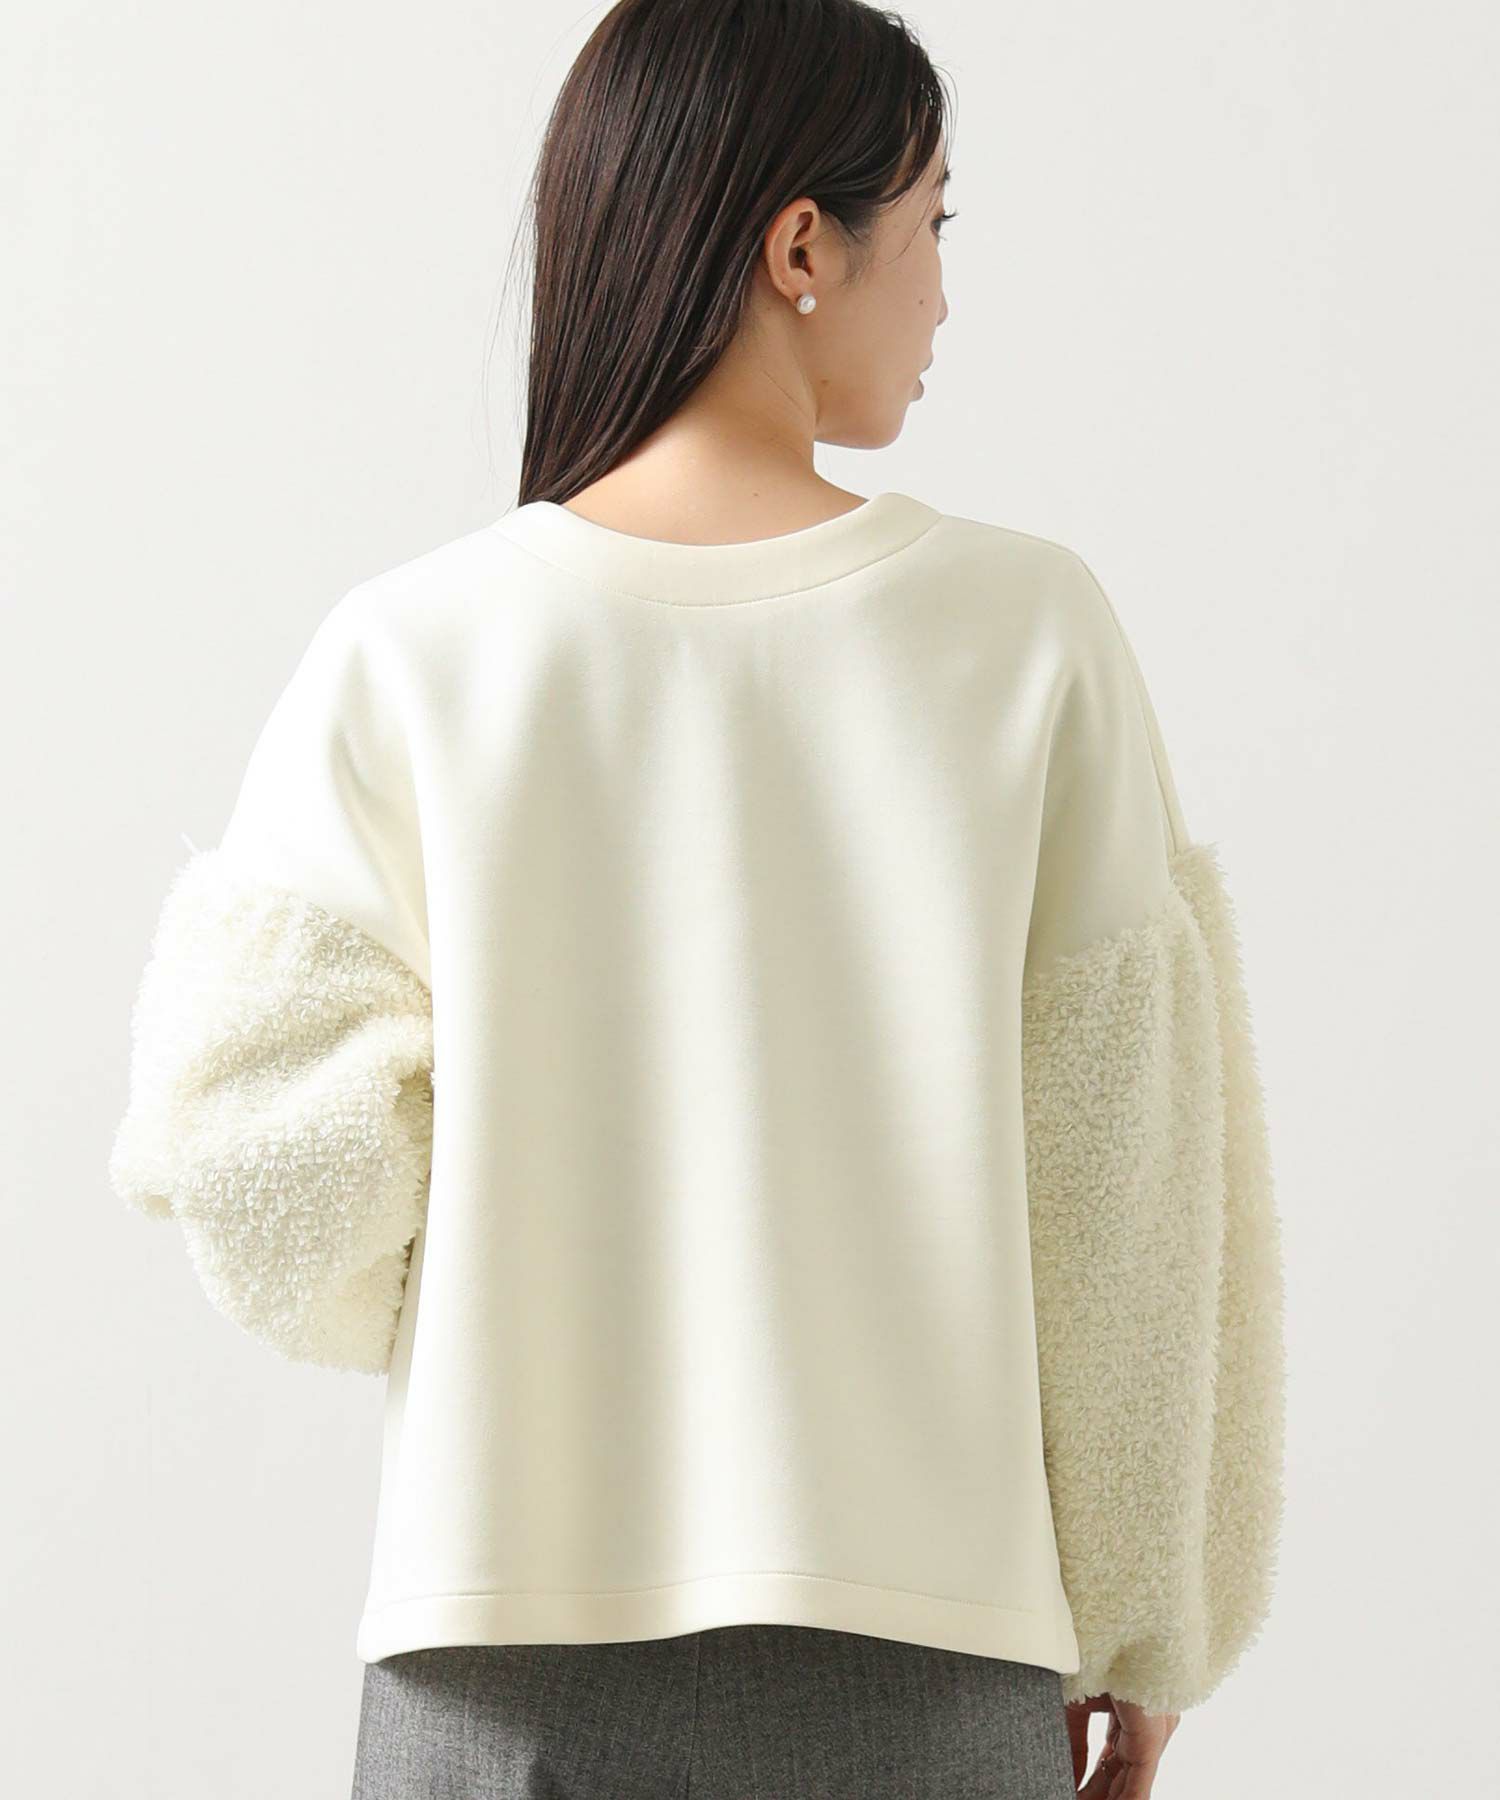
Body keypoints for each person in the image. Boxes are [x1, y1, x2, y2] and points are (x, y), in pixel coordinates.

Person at [107, 1, 1286, 1795]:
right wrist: (1146, 1616)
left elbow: (259, 1171)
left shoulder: (413, 651)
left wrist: (497, 1266)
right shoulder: (1028, 634)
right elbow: (1128, 1201)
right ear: (804, 246)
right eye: (934, 225)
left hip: (494, 1672)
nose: (945, 293)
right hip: (926, 1665)